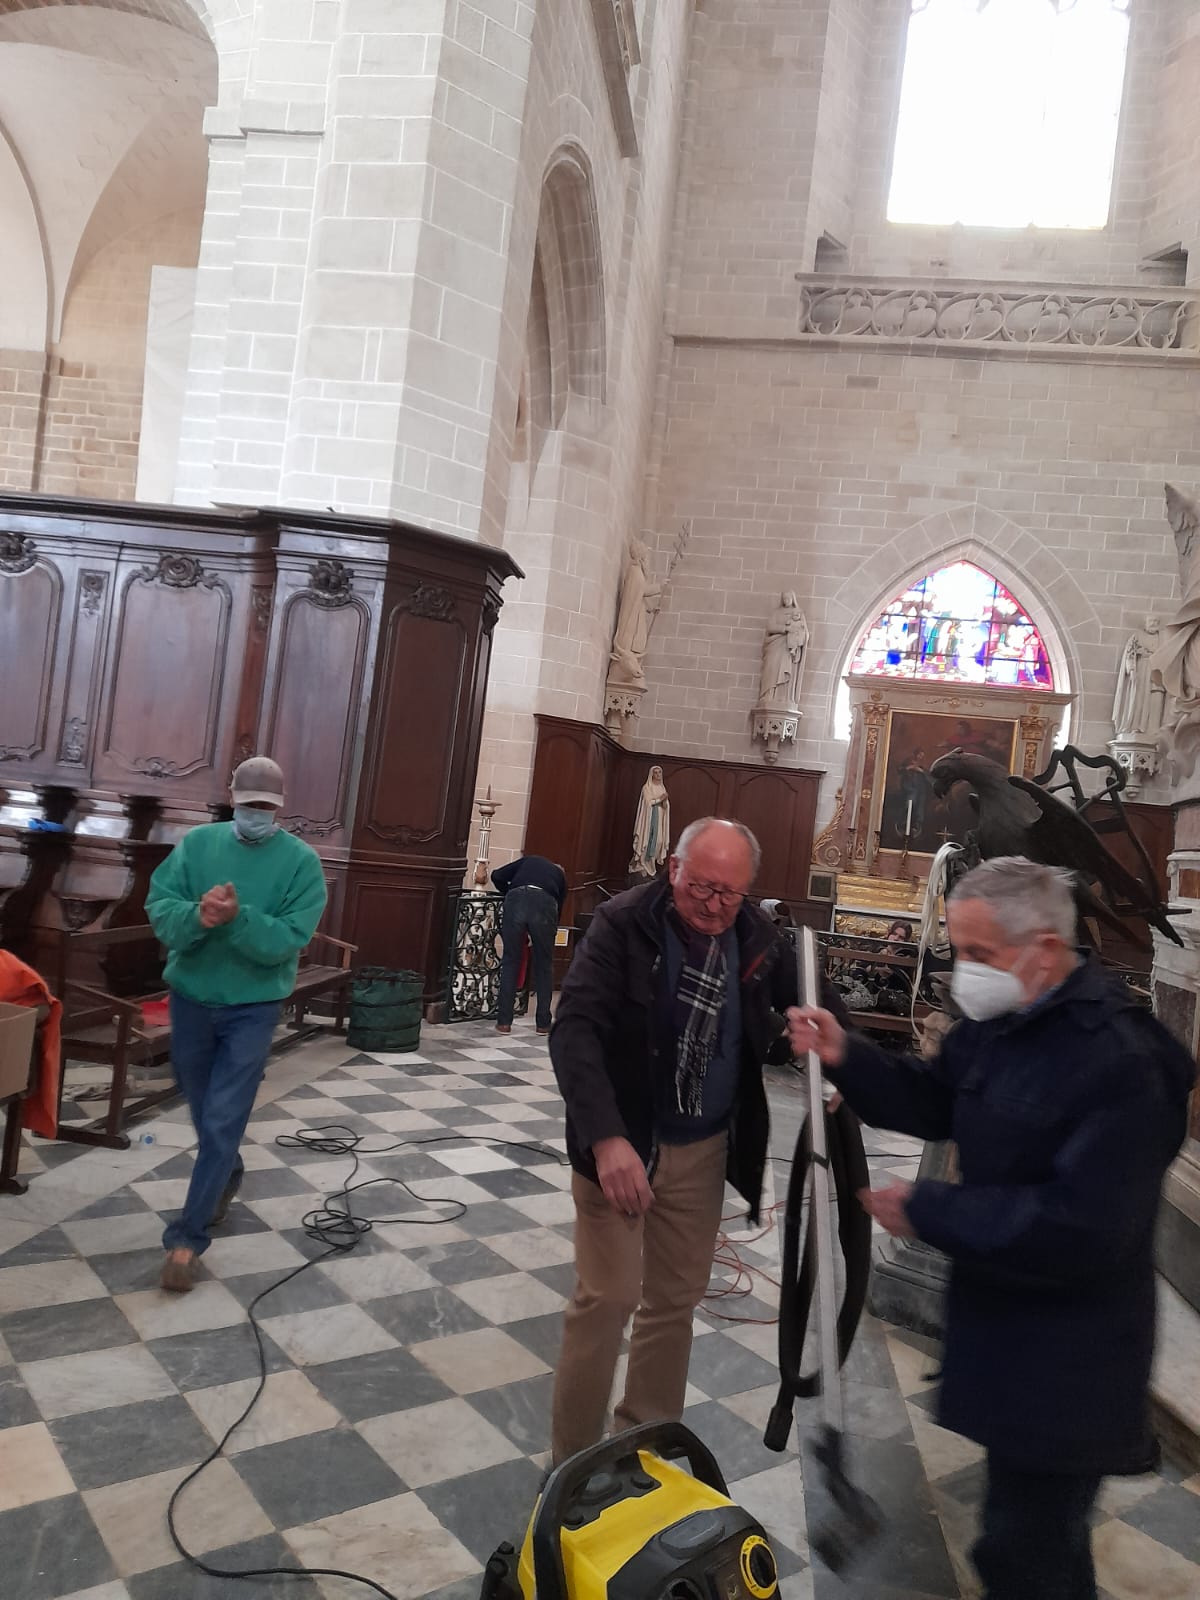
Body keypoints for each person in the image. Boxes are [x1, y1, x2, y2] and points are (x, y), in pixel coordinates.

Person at [787, 857, 1192, 1600]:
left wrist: (930, 1210)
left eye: (979, 953)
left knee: (1029, 1554)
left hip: (1073, 1357)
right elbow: (935, 1098)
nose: (965, 970)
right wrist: (848, 1054)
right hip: (1011, 1331)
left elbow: (1081, 1226)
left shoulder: (1123, 1059)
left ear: (1045, 949)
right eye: (959, 949)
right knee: (1019, 1541)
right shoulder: (1005, 1021)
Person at [547, 817, 844, 1466]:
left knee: (673, 1304)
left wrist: (836, 1057)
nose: (713, 906)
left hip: (704, 1149)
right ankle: (571, 1466)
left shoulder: (755, 934)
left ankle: (643, 1454)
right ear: (673, 868)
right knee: (608, 1299)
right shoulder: (623, 924)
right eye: (701, 887)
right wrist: (607, 1140)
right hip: (623, 1143)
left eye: (729, 893)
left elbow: (822, 1008)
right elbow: (574, 1032)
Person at [147, 756, 328, 1292]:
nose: (256, 814)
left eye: (265, 807)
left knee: (223, 1118)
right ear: (232, 798)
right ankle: (227, 1172)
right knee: (202, 1106)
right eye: (249, 805)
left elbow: (287, 940)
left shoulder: (301, 863)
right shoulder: (197, 847)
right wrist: (197, 916)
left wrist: (236, 917)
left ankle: (186, 1239)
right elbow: (161, 908)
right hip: (191, 1000)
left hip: (253, 1007)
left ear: (280, 806)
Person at [491, 853, 566, 1035]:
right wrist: (548, 931)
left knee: (510, 961)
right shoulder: (560, 877)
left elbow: (496, 875)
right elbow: (559, 907)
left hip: (516, 899)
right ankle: (543, 1024)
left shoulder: (529, 860)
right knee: (544, 966)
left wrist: (508, 892)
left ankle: (504, 1023)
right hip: (545, 905)